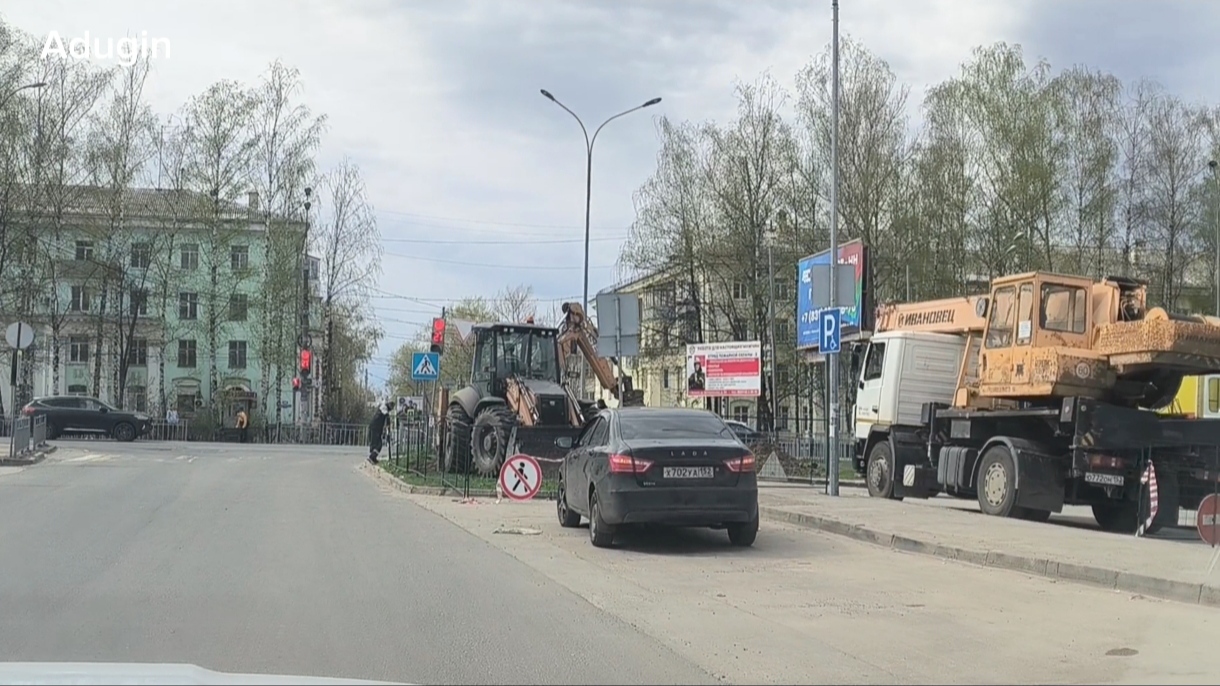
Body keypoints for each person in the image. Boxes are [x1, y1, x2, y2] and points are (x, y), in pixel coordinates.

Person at [367, 400, 392, 464]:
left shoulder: (382, 408)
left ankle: (373, 458)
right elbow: (387, 417)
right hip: (375, 428)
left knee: (375, 443)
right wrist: (388, 427)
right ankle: (371, 457)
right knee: (378, 444)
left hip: (376, 428)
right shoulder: (383, 408)